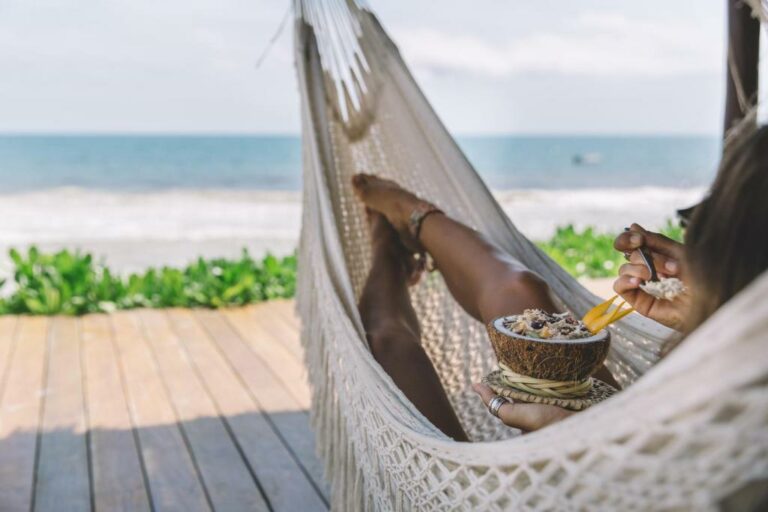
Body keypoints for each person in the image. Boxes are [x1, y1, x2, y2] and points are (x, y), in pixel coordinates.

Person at [353, 126, 768, 440]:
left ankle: (393, 247)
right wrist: (712, 307)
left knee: (385, 342)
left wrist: (570, 435)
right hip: (632, 441)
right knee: (524, 295)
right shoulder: (746, 361)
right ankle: (414, 218)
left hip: (614, 475)